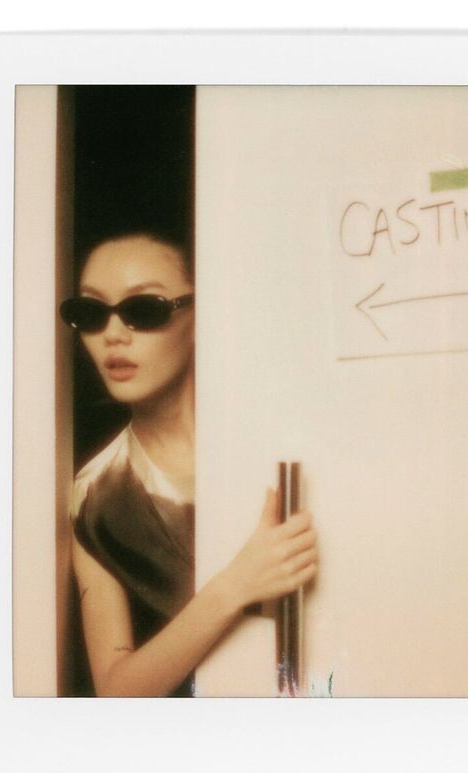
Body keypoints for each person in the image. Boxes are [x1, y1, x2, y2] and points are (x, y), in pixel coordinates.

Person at [62, 232, 318, 697]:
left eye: (144, 309)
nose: (113, 335)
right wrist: (234, 587)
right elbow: (117, 691)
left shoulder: (277, 444)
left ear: (202, 314)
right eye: (91, 313)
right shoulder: (95, 497)